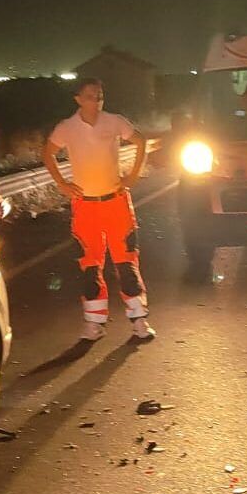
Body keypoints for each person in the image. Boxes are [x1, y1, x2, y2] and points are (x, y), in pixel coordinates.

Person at [43, 76, 153, 342]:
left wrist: (133, 175)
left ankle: (138, 320)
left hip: (116, 202)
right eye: (91, 96)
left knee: (126, 262)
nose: (97, 101)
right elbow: (48, 153)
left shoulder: (114, 121)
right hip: (85, 207)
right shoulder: (67, 127)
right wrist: (62, 184)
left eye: (100, 95)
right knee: (90, 265)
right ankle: (94, 323)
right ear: (78, 99)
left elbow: (140, 141)